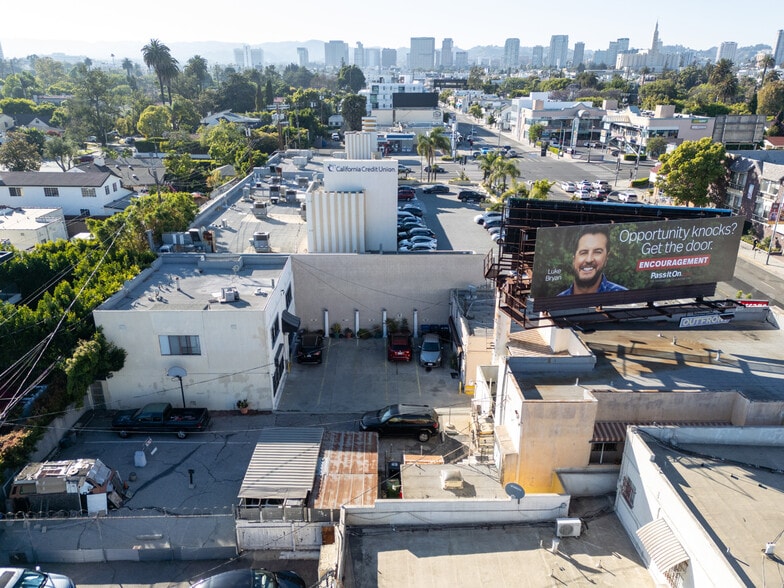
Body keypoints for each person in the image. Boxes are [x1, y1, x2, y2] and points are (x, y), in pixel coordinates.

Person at [558, 225, 628, 296]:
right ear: (574, 258)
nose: (589, 260)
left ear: (607, 257)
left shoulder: (624, 297)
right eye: (584, 252)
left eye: (597, 252)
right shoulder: (558, 301)